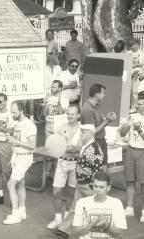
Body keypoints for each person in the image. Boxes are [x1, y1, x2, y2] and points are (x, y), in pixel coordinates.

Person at [54, 124, 104, 238]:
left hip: (89, 184)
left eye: (83, 132)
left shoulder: (95, 149)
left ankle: (95, 232)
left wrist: (94, 185)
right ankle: (64, 229)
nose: (80, 134)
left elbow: (97, 169)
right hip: (81, 183)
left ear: (90, 134)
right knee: (75, 207)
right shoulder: (86, 146)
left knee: (92, 209)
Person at [47, 104, 81, 229]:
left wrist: (77, 148)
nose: (70, 115)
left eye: (73, 113)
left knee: (71, 192)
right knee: (56, 191)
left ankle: (67, 218)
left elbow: (85, 146)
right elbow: (55, 144)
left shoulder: (81, 129)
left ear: (78, 115)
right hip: (62, 162)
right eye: (68, 113)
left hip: (76, 162)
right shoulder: (61, 128)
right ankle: (57, 219)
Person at [3, 101, 37, 225]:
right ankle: (22, 210)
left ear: (22, 111)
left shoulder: (29, 125)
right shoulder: (16, 122)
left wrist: (15, 142)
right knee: (21, 183)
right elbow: (16, 139)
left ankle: (15, 214)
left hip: (25, 157)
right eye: (11, 112)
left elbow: (32, 146)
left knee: (10, 184)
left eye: (15, 112)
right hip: (16, 156)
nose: (12, 114)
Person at [73, 171, 127, 238]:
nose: (97, 190)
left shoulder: (116, 203)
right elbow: (76, 232)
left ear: (108, 188)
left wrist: (107, 226)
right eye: (95, 186)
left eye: (101, 187)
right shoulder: (81, 203)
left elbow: (121, 234)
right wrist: (93, 223)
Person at [119, 91, 144, 222]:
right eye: (139, 104)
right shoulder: (132, 116)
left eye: (142, 104)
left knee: (143, 182)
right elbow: (122, 134)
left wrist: (139, 130)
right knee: (130, 180)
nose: (140, 106)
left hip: (143, 152)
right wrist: (127, 125)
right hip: (130, 150)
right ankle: (129, 207)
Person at [80, 83, 117, 172]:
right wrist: (107, 121)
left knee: (104, 166)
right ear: (97, 94)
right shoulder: (87, 109)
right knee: (98, 169)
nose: (104, 95)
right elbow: (92, 131)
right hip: (94, 143)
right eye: (102, 93)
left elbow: (101, 122)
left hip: (101, 141)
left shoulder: (97, 106)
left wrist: (108, 118)